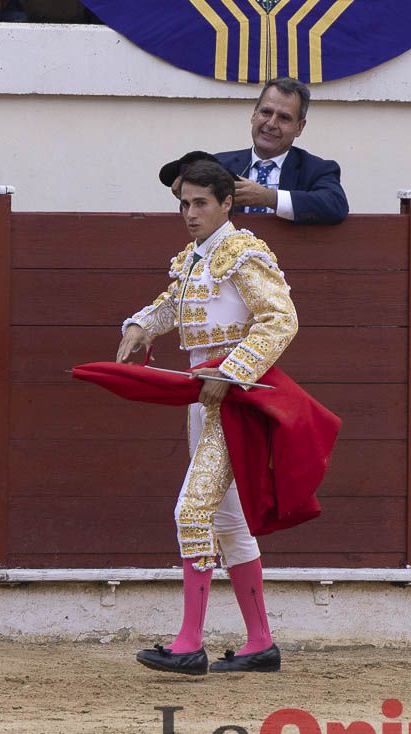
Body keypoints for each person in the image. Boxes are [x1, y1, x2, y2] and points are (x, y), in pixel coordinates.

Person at [117, 159, 298, 675]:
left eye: (200, 203)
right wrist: (141, 326)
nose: (190, 213)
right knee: (228, 522)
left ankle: (189, 644)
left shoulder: (243, 253)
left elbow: (281, 319)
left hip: (235, 404)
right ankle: (260, 644)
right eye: (184, 204)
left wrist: (234, 371)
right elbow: (172, 303)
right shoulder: (194, 259)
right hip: (203, 401)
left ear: (226, 204)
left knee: (192, 512)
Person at [215, 76, 348, 225]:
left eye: (284, 118)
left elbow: (336, 204)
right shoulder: (219, 166)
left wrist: (269, 198)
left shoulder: (317, 170)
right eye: (266, 112)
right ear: (254, 115)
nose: (271, 124)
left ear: (299, 127)